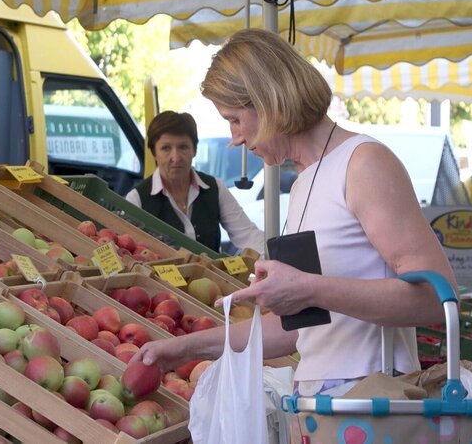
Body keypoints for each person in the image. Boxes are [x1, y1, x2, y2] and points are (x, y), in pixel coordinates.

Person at [131, 28, 455, 393]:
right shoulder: (304, 182)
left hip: (371, 403)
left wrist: (310, 289)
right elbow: (301, 328)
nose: (235, 137)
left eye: (234, 119)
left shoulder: (363, 163)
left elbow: (434, 297)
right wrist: (184, 348)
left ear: (268, 102)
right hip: (326, 406)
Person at [125, 110, 266, 255]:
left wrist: (279, 259)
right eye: (166, 148)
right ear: (154, 153)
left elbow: (248, 235)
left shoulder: (214, 188)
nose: (176, 157)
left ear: (194, 150)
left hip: (213, 277)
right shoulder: (137, 199)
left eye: (183, 147)